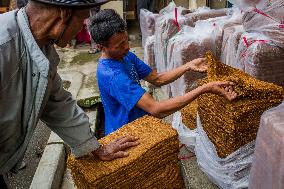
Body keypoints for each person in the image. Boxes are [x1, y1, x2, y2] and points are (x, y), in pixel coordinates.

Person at [0, 0, 139, 188]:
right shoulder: (3, 46)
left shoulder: (42, 47)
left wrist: (94, 147)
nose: (84, 27)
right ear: (65, 14)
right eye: (83, 19)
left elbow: (57, 102)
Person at [89, 9, 237, 135]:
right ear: (102, 47)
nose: (127, 47)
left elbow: (157, 78)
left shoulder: (125, 55)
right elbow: (156, 109)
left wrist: (188, 65)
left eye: (126, 40)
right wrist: (205, 88)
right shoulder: (113, 76)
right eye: (120, 45)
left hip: (141, 123)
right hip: (125, 133)